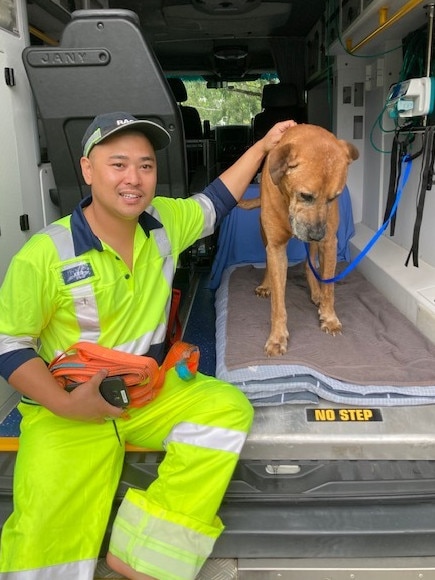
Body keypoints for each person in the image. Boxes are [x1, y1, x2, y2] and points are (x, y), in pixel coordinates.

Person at [0, 111, 295, 580]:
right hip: (70, 405)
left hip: (150, 392)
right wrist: (65, 404)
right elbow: (11, 344)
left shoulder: (164, 221)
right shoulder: (45, 253)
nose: (133, 179)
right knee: (43, 547)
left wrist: (263, 146)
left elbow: (216, 200)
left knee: (226, 409)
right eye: (118, 165)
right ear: (87, 170)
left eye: (145, 166)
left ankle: (142, 559)